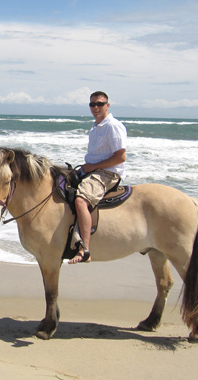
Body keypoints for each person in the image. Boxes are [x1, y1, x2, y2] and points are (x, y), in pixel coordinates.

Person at [69, 91, 127, 264]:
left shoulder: (112, 126)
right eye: (92, 104)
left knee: (80, 200)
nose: (96, 108)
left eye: (100, 104)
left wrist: (92, 167)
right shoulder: (95, 127)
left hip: (107, 173)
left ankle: (85, 249)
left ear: (107, 105)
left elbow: (120, 157)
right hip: (92, 170)